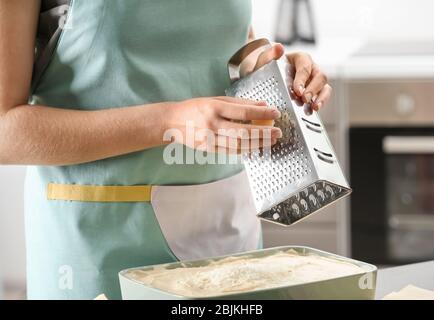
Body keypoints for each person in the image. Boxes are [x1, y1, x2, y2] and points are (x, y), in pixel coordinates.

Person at [0, 0, 332, 299]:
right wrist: (169, 122)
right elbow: (5, 130)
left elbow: (230, 48)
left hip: (227, 234)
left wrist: (272, 68)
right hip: (101, 245)